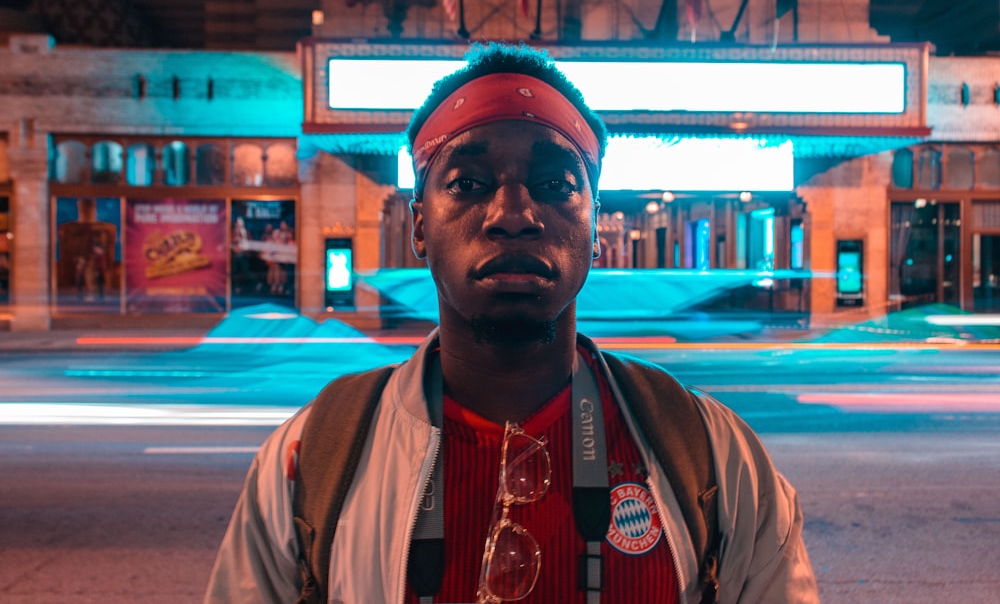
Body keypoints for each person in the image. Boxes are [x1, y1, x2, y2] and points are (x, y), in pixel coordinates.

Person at [204, 42, 819, 603]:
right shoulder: (307, 463)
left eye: (555, 183)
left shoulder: (716, 458)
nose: (513, 214)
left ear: (594, 228)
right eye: (467, 183)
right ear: (420, 225)